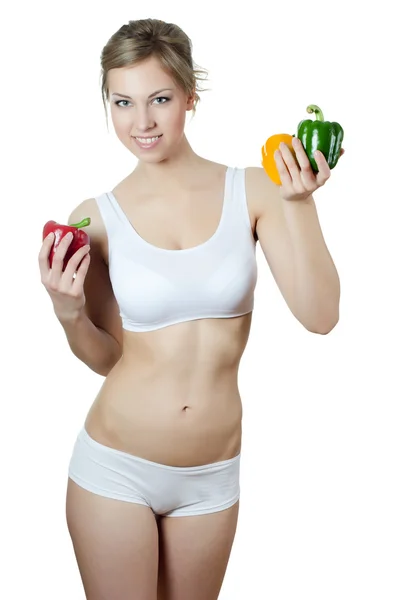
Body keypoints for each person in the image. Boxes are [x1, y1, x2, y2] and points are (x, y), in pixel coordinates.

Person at [38, 17, 341, 600]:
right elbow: (109, 359)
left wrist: (300, 204)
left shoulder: (256, 188)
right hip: (115, 467)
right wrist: (67, 313)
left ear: (189, 98)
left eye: (159, 99)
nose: (142, 122)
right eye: (122, 102)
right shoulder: (97, 216)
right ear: (107, 103)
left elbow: (321, 316)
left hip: (211, 476)